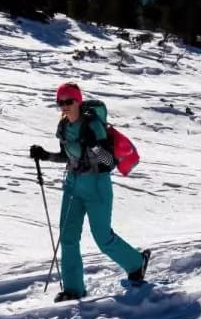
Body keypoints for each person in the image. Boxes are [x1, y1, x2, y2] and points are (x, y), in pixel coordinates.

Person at [30, 82, 149, 302]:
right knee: (68, 237)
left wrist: (94, 145)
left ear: (78, 101)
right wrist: (46, 155)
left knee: (102, 238)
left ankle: (136, 263)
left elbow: (109, 162)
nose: (64, 106)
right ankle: (74, 289)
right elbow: (69, 156)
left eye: (69, 101)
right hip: (73, 186)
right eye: (60, 102)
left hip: (97, 186)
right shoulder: (63, 126)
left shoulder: (93, 125)